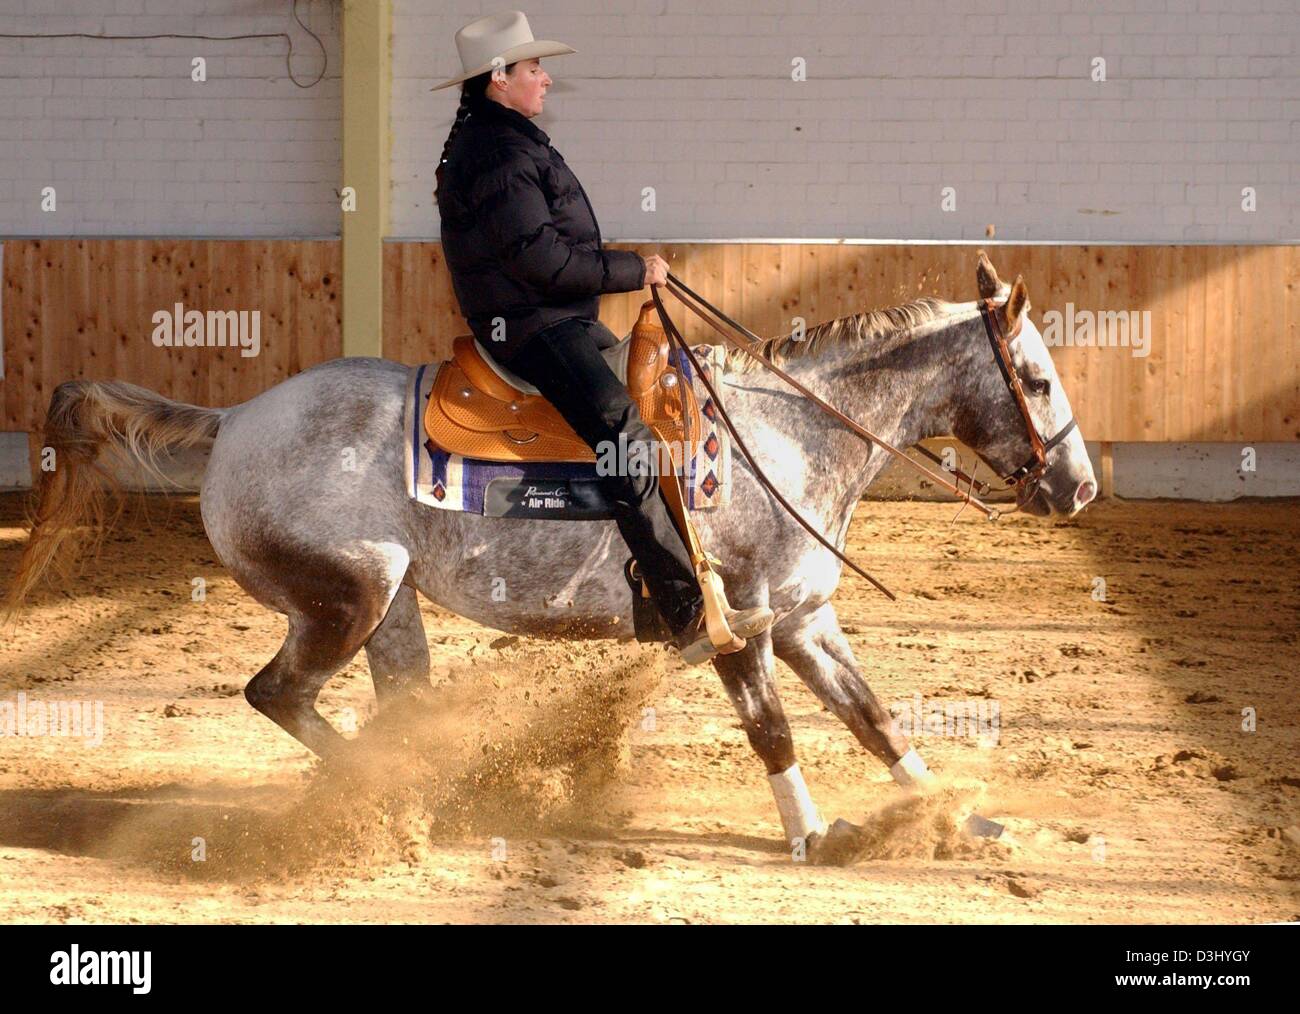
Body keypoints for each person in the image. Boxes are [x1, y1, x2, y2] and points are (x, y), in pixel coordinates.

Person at [432, 11, 772, 662]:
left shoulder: (498, 140)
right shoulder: (499, 152)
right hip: (537, 326)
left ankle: (650, 587)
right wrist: (633, 269)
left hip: (551, 318)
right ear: (499, 78)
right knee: (626, 440)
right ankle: (686, 612)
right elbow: (540, 260)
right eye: (534, 68)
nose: (546, 79)